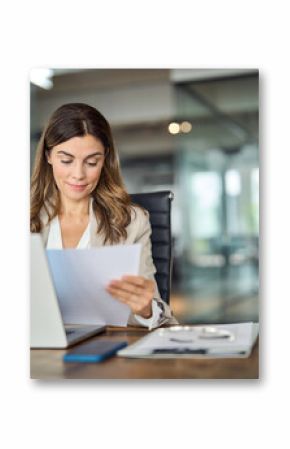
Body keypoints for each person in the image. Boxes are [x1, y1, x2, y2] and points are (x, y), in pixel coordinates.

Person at [31, 103, 177, 329]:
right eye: (66, 160)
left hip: (105, 347)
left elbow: (160, 317)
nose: (78, 174)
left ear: (105, 160)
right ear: (48, 156)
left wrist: (145, 309)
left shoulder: (132, 222)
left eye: (92, 162)